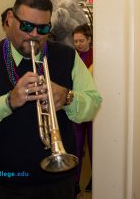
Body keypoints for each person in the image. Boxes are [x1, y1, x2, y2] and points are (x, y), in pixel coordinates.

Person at [0, 0, 102, 199]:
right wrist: (8, 101)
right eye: (27, 26)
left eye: (43, 28)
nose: (34, 34)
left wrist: (68, 97)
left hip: (57, 182)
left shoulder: (67, 56)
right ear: (10, 19)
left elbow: (93, 102)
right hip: (2, 183)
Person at [72, 23, 93, 197]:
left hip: (93, 109)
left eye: (81, 40)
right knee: (77, 144)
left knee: (95, 145)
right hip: (78, 108)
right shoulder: (73, 58)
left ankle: (96, 176)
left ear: (89, 40)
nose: (78, 44)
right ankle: (75, 181)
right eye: (75, 41)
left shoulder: (98, 56)